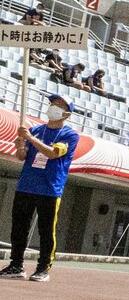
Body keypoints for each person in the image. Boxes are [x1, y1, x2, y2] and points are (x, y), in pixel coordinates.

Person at [3, 95, 80, 283]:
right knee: (19, 227)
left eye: (59, 105)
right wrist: (20, 146)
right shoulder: (36, 130)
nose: (53, 107)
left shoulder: (70, 135)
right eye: (52, 104)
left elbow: (52, 153)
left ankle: (43, 267)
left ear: (67, 113)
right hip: (26, 184)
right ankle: (16, 264)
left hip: (50, 188)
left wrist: (29, 138)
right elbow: (22, 157)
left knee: (46, 231)